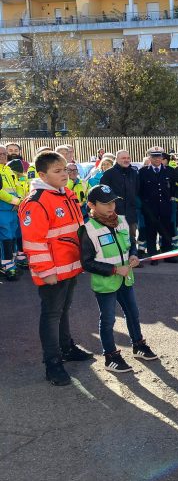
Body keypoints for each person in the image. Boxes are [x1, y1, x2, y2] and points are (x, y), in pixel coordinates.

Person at [19, 151, 92, 386]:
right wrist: (45, 271)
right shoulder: (36, 201)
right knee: (51, 315)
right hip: (53, 271)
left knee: (64, 309)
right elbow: (34, 242)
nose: (64, 174)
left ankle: (67, 348)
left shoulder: (66, 194)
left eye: (65, 169)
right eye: (57, 171)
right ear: (43, 175)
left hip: (70, 266)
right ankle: (52, 363)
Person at [79, 185, 158, 373]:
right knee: (107, 321)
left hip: (126, 279)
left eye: (113, 201)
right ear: (91, 204)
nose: (111, 206)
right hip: (106, 283)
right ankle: (110, 357)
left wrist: (133, 254)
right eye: (105, 203)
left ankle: (138, 345)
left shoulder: (121, 221)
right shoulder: (87, 229)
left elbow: (131, 243)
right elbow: (87, 263)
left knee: (133, 313)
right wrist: (114, 269)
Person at [138, 147, 178, 265]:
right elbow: (139, 190)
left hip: (165, 206)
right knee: (151, 232)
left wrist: (171, 197)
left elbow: (173, 187)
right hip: (150, 208)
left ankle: (167, 255)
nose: (156, 159)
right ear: (150, 158)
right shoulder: (143, 172)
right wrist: (144, 206)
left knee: (166, 230)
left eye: (159, 157)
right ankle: (153, 256)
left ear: (162, 158)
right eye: (154, 157)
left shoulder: (169, 170)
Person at [100, 150, 139, 238]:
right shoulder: (108, 174)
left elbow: (137, 191)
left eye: (128, 158)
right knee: (118, 238)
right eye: (123, 158)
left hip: (131, 214)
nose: (126, 160)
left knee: (132, 237)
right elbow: (103, 194)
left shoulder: (134, 173)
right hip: (114, 214)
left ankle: (133, 251)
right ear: (117, 159)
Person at [0, 144, 22, 280]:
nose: (3, 156)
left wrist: (19, 199)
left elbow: (18, 185)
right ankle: (6, 265)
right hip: (3, 208)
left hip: (13, 208)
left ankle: (12, 263)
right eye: (0, 154)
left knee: (13, 235)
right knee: (5, 237)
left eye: (4, 154)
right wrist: (15, 201)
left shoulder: (9, 169)